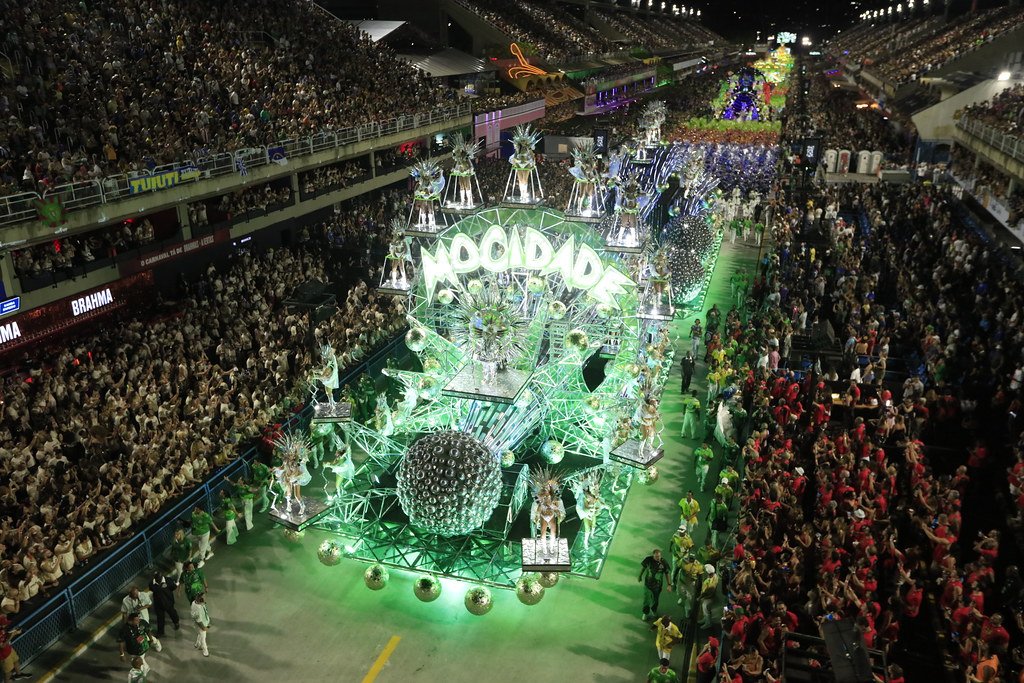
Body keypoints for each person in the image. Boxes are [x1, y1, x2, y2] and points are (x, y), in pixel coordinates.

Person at [638, 549, 672, 621]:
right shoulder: (648, 560)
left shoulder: (663, 562)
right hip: (648, 584)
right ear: (653, 555)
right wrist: (640, 576)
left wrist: (669, 584)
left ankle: (654, 610)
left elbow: (667, 573)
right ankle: (646, 613)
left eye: (659, 556)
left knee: (655, 600)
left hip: (657, 586)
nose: (658, 558)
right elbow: (643, 568)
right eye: (656, 556)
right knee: (646, 600)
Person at [0, 616, 29, 682]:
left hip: (9, 650)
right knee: (8, 673)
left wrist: (15, 633)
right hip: (4, 656)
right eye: (4, 623)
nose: (6, 624)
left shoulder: (2, 629)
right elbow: (2, 646)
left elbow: (5, 636)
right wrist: (12, 636)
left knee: (16, 660)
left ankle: (18, 674)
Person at [190, 593, 211, 657]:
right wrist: (204, 628)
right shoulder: (198, 609)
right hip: (201, 626)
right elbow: (199, 621)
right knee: (203, 638)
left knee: (200, 634)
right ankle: (205, 651)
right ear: (201, 600)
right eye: (204, 598)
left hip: (202, 624)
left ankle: (197, 644)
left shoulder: (194, 602)